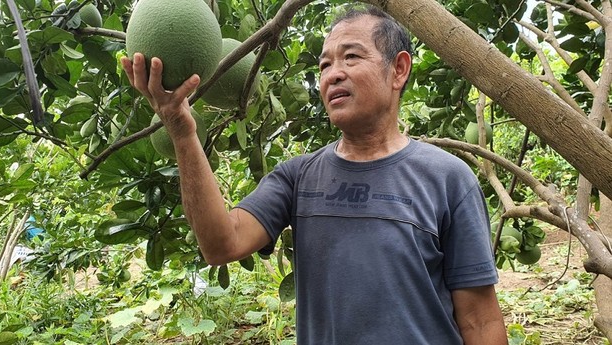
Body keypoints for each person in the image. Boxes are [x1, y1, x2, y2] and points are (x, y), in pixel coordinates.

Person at [122, 5, 507, 344]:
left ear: (399, 70)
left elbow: (479, 319)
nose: (333, 75)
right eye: (324, 65)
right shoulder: (299, 177)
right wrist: (180, 129)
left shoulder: (448, 178)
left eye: (351, 57)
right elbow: (222, 244)